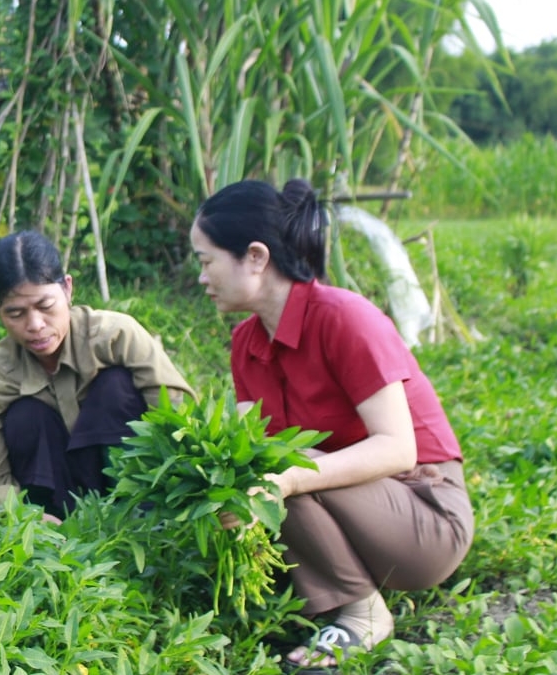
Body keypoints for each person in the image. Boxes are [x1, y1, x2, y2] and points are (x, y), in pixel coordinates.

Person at [190, 179, 474, 672]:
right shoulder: (246, 343)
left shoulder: (346, 318)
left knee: (281, 462)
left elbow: (399, 450)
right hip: (359, 516)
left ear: (255, 257)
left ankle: (362, 612)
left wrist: (289, 479)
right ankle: (344, 587)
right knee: (262, 461)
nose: (201, 277)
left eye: (206, 260)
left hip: (425, 517)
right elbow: (246, 453)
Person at [0, 230, 196, 523]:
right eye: (16, 313)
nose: (35, 325)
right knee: (23, 417)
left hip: (135, 493)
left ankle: (134, 515)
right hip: (52, 511)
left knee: (116, 386)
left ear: (67, 289)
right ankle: (60, 525)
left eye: (45, 306)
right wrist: (26, 520)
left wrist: (186, 490)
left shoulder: (116, 337)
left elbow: (178, 417)